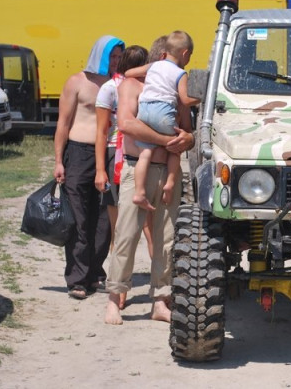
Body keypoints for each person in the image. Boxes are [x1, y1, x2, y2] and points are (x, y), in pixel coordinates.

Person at [104, 35, 195, 325]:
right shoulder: (130, 86)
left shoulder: (173, 89)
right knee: (126, 235)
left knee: (167, 238)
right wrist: (165, 141)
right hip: (137, 169)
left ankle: (160, 299)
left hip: (168, 172)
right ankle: (114, 299)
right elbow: (127, 124)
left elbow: (187, 129)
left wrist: (188, 139)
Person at [53, 35, 125, 300]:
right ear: (100, 56)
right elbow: (63, 123)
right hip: (79, 153)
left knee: (104, 219)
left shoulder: (118, 83)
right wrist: (58, 160)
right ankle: (77, 279)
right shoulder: (77, 82)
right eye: (112, 56)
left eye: (119, 57)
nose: (116, 61)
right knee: (79, 217)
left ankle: (95, 272)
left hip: (108, 153)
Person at [94, 44, 150, 309]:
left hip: (133, 158)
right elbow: (102, 131)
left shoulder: (142, 88)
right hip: (124, 157)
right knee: (131, 229)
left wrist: (100, 169)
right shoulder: (112, 88)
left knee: (130, 229)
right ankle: (131, 289)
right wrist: (101, 169)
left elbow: (101, 132)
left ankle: (123, 291)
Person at [127, 30, 200, 211]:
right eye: (190, 55)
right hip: (164, 112)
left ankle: (139, 192)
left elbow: (129, 72)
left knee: (145, 153)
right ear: (185, 53)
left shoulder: (154, 66)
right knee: (175, 148)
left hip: (145, 110)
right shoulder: (181, 73)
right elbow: (185, 100)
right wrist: (201, 97)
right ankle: (170, 183)